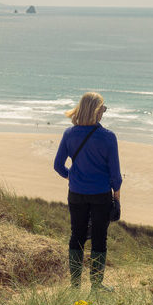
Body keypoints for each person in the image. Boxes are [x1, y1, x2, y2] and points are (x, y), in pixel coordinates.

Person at [54, 92, 122, 291]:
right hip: (101, 195)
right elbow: (115, 175)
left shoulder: (69, 134)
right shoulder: (108, 137)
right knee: (100, 237)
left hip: (76, 193)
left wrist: (72, 177)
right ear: (96, 111)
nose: (104, 112)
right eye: (103, 108)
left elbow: (58, 166)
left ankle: (75, 285)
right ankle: (96, 285)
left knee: (77, 235)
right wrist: (116, 196)